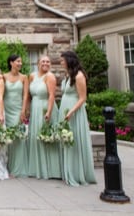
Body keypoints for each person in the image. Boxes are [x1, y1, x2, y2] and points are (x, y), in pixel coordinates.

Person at [58, 51, 97, 186]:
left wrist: (71, 112)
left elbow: (82, 98)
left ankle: (77, 173)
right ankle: (68, 171)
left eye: (62, 60)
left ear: (69, 60)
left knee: (74, 141)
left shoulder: (79, 76)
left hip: (74, 112)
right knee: (66, 140)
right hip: (65, 110)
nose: (61, 63)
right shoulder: (68, 75)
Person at [28, 55, 61, 179]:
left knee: (46, 137)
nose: (45, 63)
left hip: (45, 108)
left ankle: (51, 170)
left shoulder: (50, 76)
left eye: (48, 61)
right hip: (35, 108)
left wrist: (48, 111)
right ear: (38, 63)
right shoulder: (32, 76)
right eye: (43, 61)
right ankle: (37, 168)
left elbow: (52, 95)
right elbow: (29, 95)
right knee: (36, 137)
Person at [3, 54, 30, 177]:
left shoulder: (24, 77)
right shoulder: (3, 76)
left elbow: (25, 95)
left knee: (18, 138)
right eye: (18, 61)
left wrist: (23, 111)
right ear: (11, 63)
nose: (20, 63)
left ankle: (17, 168)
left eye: (21, 62)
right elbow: (1, 95)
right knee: (7, 138)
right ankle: (7, 167)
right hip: (6, 110)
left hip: (18, 110)